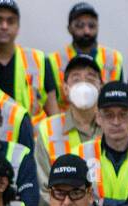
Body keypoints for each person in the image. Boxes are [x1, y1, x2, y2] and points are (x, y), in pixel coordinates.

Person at [34, 55, 102, 195]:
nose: (84, 86)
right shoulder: (48, 129)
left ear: (100, 87)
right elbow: (43, 187)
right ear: (65, 89)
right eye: (76, 79)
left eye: (90, 79)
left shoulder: (114, 127)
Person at [0, 0, 56, 123]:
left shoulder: (39, 61)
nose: (4, 26)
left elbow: (54, 115)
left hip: (29, 140)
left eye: (10, 21)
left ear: (18, 27)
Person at [49, 2, 125, 107]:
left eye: (92, 25)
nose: (86, 31)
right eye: (80, 26)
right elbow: (51, 102)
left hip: (103, 119)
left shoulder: (113, 58)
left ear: (98, 26)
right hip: (67, 119)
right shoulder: (54, 59)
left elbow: (118, 100)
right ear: (69, 28)